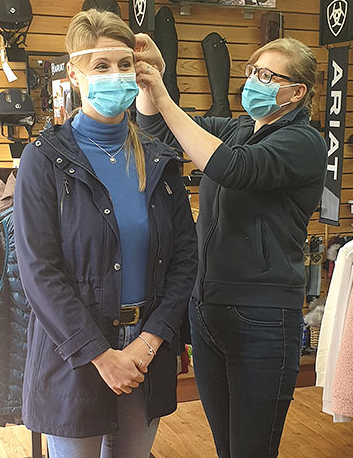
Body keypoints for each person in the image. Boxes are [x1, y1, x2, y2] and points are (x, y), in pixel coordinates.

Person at [13, 9, 198, 458]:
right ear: (75, 75)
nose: (115, 75)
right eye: (101, 66)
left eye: (123, 65)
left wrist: (150, 341)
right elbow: (40, 272)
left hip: (145, 355)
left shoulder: (157, 158)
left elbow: (185, 258)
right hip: (76, 355)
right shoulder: (43, 159)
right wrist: (102, 355)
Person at [134, 36, 327, 457]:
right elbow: (157, 129)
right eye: (253, 71)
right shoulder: (239, 128)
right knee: (227, 447)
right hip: (207, 309)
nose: (255, 81)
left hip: (260, 319)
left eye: (268, 75)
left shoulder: (305, 143)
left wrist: (166, 98)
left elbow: (231, 167)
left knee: (251, 451)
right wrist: (152, 81)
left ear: (297, 92)